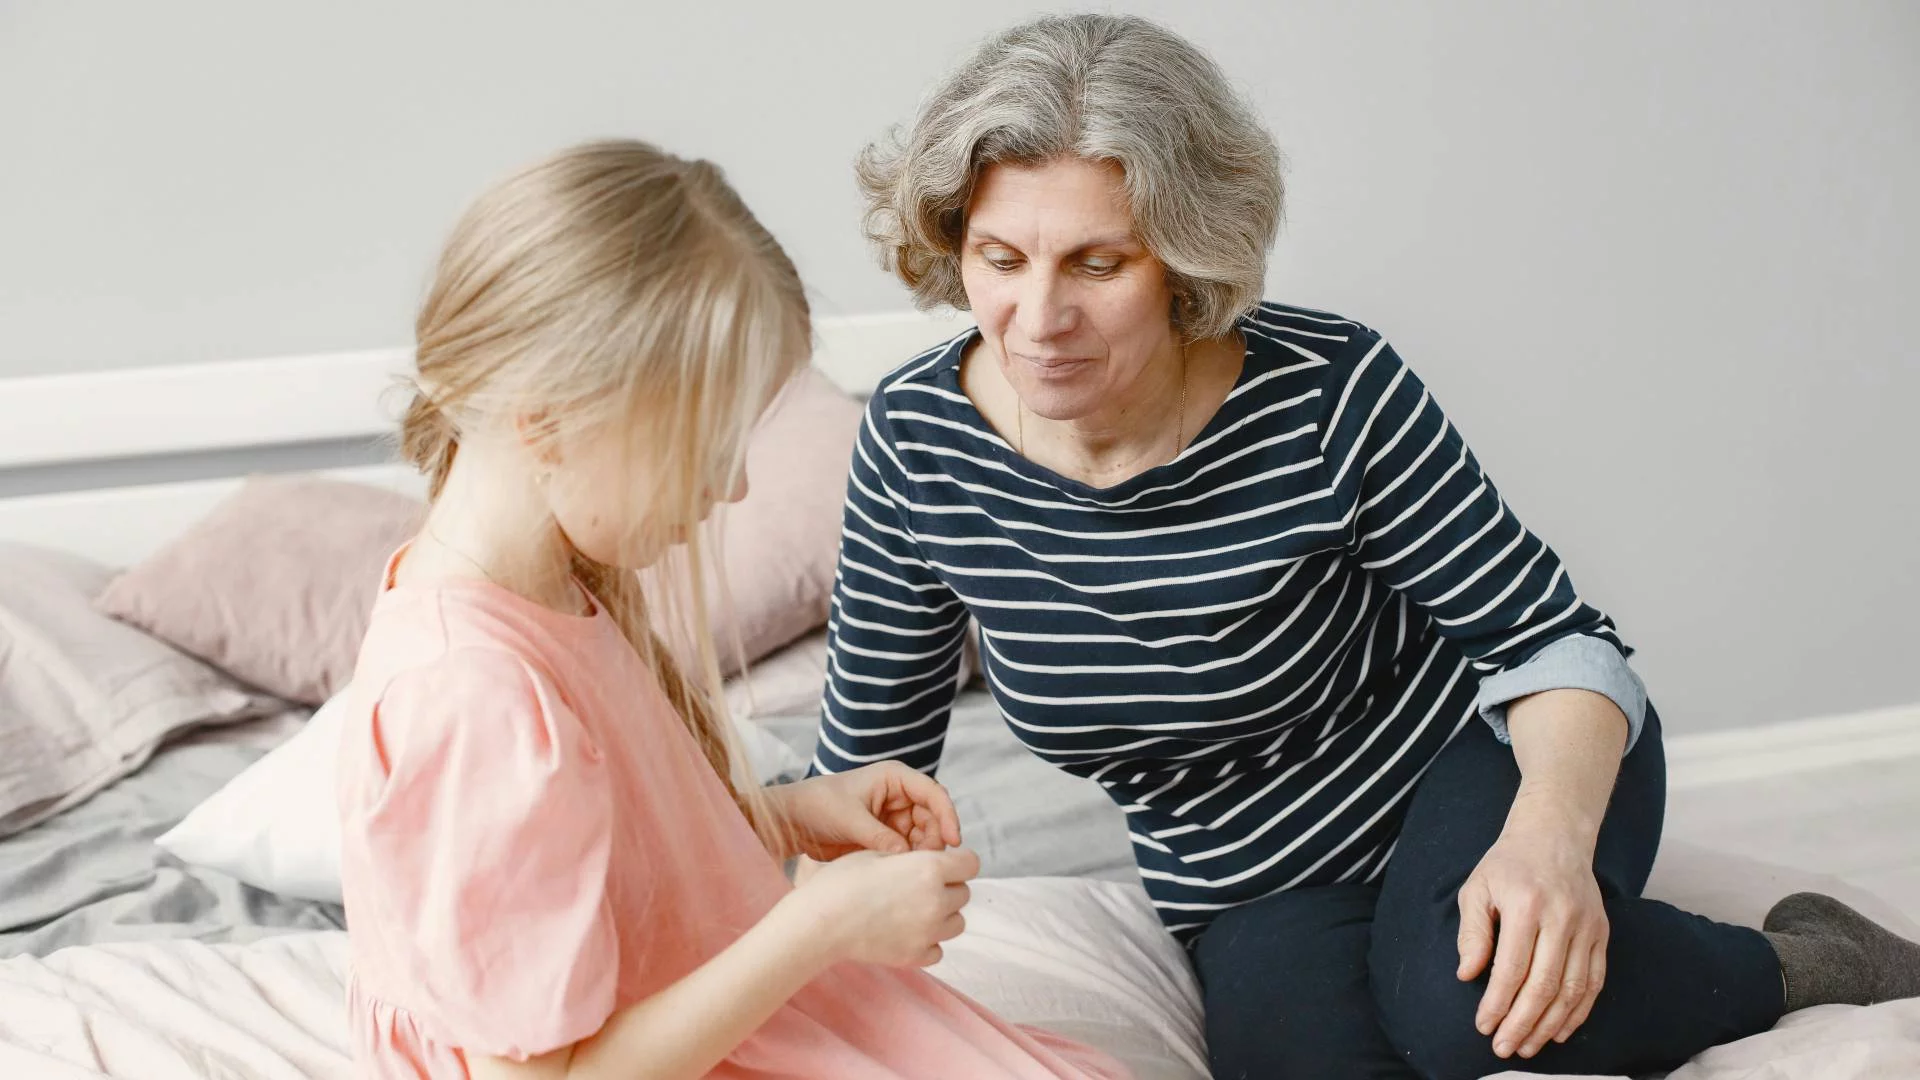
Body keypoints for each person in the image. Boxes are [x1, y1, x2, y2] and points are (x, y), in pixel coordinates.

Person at [812, 14, 1920, 1080]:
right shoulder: (917, 445)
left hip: (1486, 760)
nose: (1036, 319)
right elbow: (864, 773)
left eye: (1098, 266)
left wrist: (1546, 842)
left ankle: (1806, 963)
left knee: (1459, 1015)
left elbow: (1558, 647)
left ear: (1188, 258)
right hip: (1247, 886)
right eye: (1000, 259)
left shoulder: (1328, 388)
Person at [333, 139, 1131, 1080]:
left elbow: (608, 854)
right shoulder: (469, 699)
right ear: (551, 418)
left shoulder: (554, 587)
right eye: (708, 444)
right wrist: (817, 927)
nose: (734, 486)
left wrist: (786, 816)